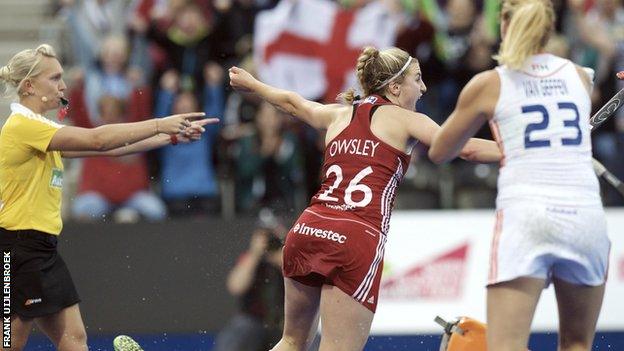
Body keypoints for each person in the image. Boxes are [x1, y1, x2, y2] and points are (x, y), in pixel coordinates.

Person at [229, 46, 501, 350]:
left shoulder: (339, 113)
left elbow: (293, 103)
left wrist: (252, 85)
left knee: (291, 341)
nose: (423, 88)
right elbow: (464, 148)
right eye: (417, 79)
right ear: (395, 87)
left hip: (307, 228)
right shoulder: (407, 120)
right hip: (355, 237)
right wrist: (516, 150)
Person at [0, 44, 216, 350]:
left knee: (74, 339)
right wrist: (159, 122)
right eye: (55, 78)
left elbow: (112, 148)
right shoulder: (24, 126)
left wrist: (170, 136)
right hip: (17, 250)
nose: (62, 85)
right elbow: (98, 139)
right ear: (30, 86)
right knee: (9, 344)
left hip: (42, 248)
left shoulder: (43, 128)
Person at [428, 1, 610, 350]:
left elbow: (440, 152)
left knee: (506, 346)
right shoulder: (578, 76)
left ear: (505, 25)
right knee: (576, 344)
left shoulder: (489, 83)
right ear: (548, 27)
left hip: (527, 215)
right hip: (585, 215)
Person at [214, 222, 285, 351]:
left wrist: (283, 250)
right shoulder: (251, 260)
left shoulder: (287, 260)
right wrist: (255, 253)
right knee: (241, 331)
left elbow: (299, 278)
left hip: (282, 323)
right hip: (253, 320)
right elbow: (235, 286)